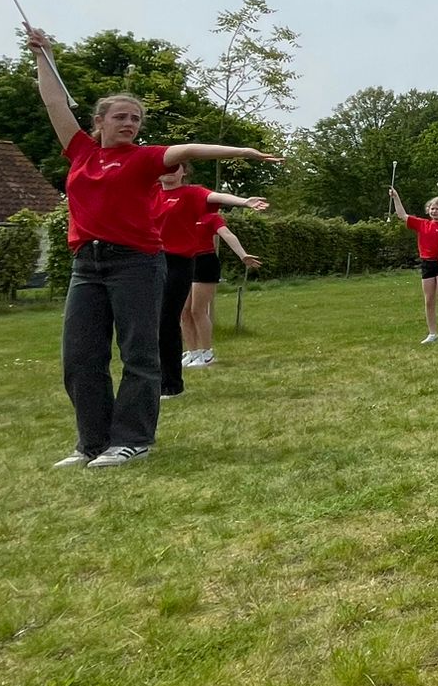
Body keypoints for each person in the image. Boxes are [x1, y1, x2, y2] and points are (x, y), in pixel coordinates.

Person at [27, 28, 281, 469]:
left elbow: (191, 149)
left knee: (138, 353)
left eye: (136, 119)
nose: (129, 124)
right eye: (120, 117)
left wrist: (243, 151)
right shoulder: (81, 152)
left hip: (136, 265)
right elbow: (53, 103)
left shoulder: (145, 159)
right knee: (80, 357)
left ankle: (133, 439)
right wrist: (44, 54)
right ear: (99, 122)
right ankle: (91, 443)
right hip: (86, 266)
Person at [155, 167, 265, 395]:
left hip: (203, 262)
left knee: (197, 309)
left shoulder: (204, 208)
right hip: (172, 261)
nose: (168, 172)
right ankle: (192, 352)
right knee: (182, 311)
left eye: (175, 168)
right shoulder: (155, 196)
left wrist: (242, 253)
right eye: (164, 169)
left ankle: (206, 352)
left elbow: (226, 231)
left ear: (184, 172)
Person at [390, 191, 438, 342]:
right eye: (432, 208)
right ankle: (432, 333)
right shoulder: (423, 224)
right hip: (427, 264)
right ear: (428, 210)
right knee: (429, 300)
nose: (434, 211)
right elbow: (402, 215)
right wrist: (396, 197)